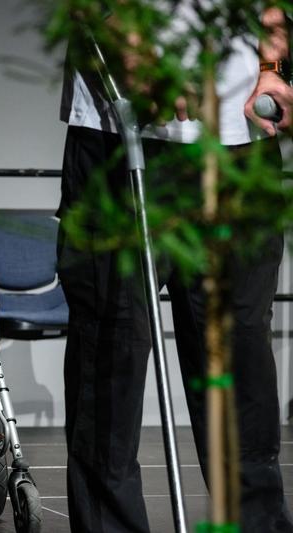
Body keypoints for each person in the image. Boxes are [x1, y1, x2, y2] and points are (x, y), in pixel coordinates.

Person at [58, 6, 293, 533]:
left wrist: (272, 66)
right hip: (122, 135)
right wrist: (137, 50)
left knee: (240, 354)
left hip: (241, 145)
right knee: (113, 349)